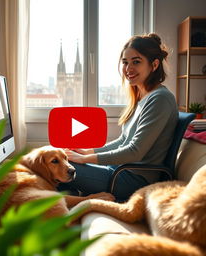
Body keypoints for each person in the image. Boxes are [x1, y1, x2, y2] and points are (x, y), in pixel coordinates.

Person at [61, 33, 178, 202]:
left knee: (52, 168)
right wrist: (88, 151)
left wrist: (84, 158)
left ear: (154, 64)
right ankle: (67, 208)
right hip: (119, 171)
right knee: (59, 158)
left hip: (131, 180)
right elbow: (123, 141)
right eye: (125, 62)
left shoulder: (160, 99)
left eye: (136, 62)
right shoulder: (142, 98)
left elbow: (135, 151)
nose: (128, 69)